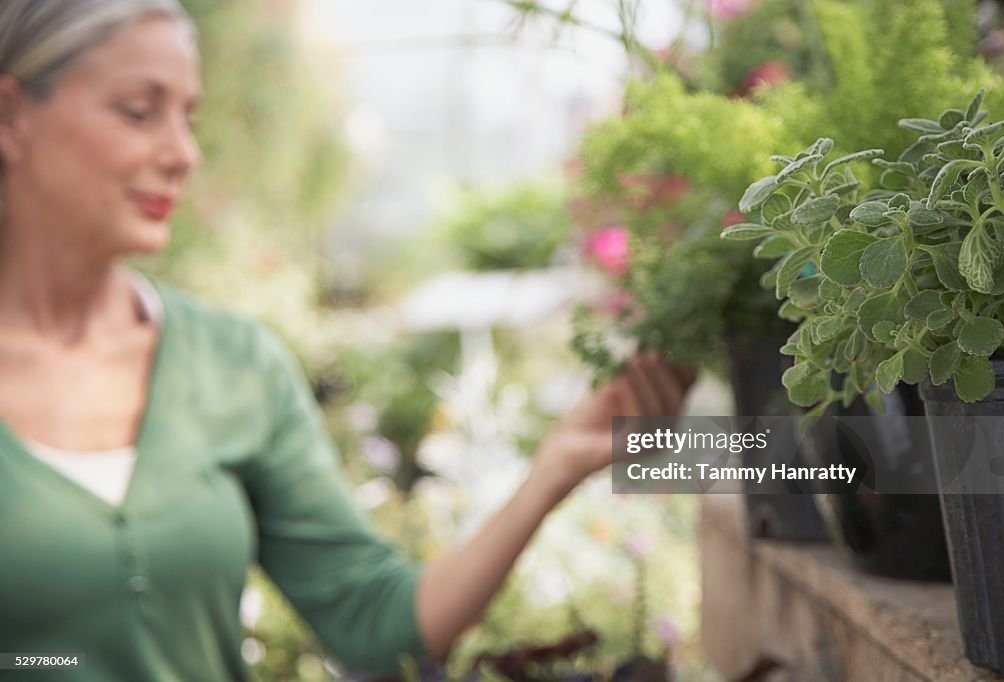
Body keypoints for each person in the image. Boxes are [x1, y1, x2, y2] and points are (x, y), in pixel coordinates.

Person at [0, 1, 694, 680]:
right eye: (138, 111)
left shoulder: (234, 364)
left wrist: (552, 471)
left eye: (189, 117)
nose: (183, 154)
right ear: (10, 115)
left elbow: (371, 619)